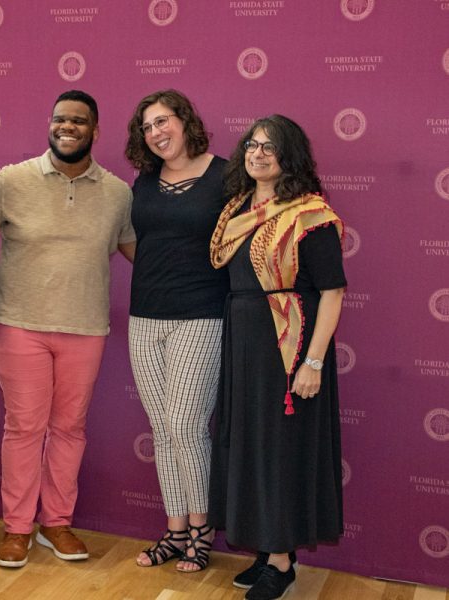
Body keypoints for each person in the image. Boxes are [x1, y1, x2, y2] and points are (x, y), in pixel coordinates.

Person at [0, 90, 136, 568]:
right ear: (50, 124)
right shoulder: (10, 181)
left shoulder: (118, 193)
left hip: (86, 327)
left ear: (95, 130)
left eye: (79, 121)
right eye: (60, 119)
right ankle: (17, 528)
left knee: (69, 428)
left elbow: (141, 254)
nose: (67, 126)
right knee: (24, 428)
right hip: (20, 325)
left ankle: (56, 523)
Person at [208, 115, 346, 600]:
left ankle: (283, 561)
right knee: (249, 444)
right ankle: (266, 550)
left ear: (291, 156)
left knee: (282, 448)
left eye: (270, 146)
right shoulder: (237, 210)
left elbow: (332, 293)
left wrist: (312, 363)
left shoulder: (310, 213)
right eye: (252, 144)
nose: (258, 153)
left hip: (289, 347)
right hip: (244, 341)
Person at [123, 90, 230, 572]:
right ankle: (176, 527)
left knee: (187, 425)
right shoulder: (143, 183)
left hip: (201, 315)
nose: (156, 133)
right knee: (163, 429)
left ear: (185, 121)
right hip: (144, 316)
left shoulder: (226, 175)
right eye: (147, 127)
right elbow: (135, 243)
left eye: (162, 121)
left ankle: (203, 527)